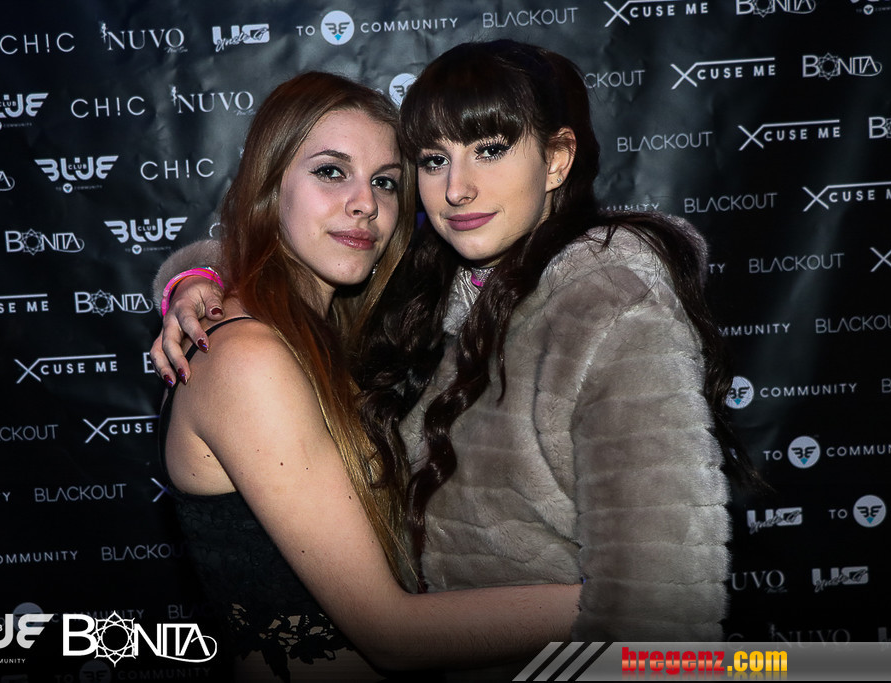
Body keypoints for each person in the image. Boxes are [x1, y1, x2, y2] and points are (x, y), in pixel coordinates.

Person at [153, 41, 758, 647]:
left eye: (489, 150)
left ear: (556, 160)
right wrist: (195, 279)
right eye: (433, 160)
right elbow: (269, 258)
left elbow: (660, 599)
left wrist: (633, 602)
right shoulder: (428, 302)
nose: (456, 188)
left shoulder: (609, 309)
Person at [155, 70, 580, 683]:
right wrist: (628, 600)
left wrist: (194, 277)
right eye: (331, 171)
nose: (365, 203)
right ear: (270, 185)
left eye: (385, 182)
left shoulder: (337, 333)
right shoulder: (248, 359)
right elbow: (391, 634)